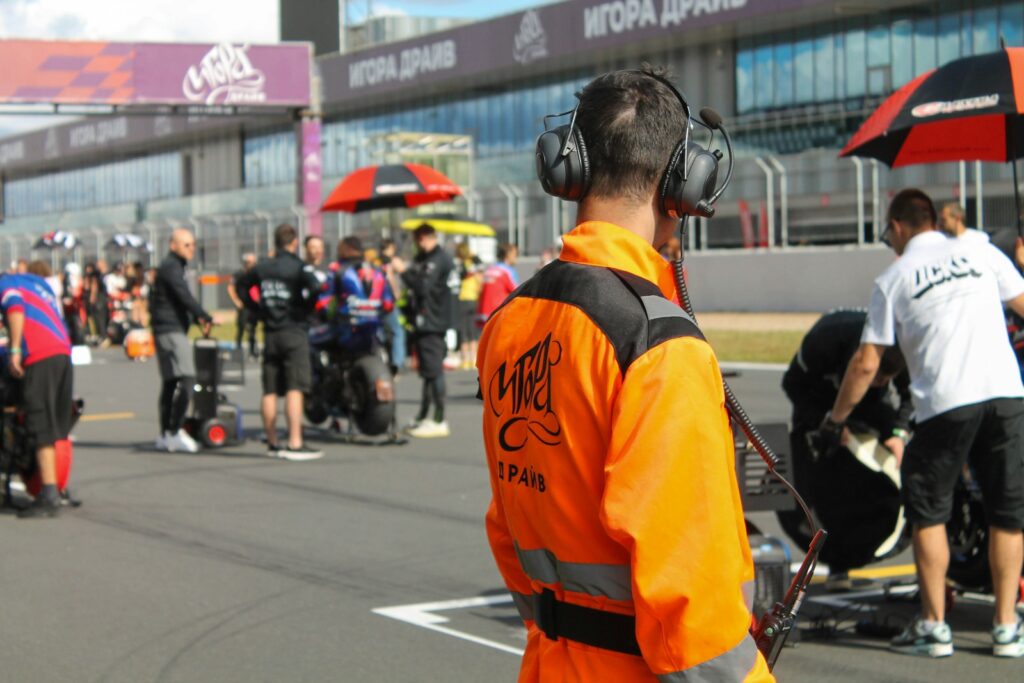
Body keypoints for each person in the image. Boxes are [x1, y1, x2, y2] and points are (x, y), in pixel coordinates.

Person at [479, 68, 772, 681]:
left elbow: (509, 523)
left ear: (568, 168)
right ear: (686, 182)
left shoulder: (510, 320)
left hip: (550, 661)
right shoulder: (658, 346)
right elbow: (689, 582)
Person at [824, 188, 1024, 658]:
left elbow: (867, 363)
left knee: (929, 513)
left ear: (897, 227)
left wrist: (836, 418)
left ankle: (934, 627)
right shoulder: (981, 251)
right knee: (1007, 512)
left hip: (945, 402)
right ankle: (1006, 627)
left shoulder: (894, 277)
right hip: (1006, 394)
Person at [782, 308, 912, 588]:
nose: (879, 383)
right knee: (822, 476)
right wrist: (824, 422)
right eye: (876, 377)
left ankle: (862, 546)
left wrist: (898, 433)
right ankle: (834, 558)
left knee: (877, 471)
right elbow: (792, 385)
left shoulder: (897, 351)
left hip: (867, 404)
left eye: (885, 381)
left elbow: (910, 396)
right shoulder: (824, 341)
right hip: (818, 399)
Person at [238, 224, 323, 461]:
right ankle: (295, 442)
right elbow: (316, 287)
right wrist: (304, 309)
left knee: (270, 390)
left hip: (271, 333)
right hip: (293, 331)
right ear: (294, 242)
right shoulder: (298, 266)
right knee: (295, 387)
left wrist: (257, 308)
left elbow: (242, 285)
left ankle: (272, 441)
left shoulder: (263, 267)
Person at [0, 270, 73, 518]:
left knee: (39, 422)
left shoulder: (6, 285)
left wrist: (15, 350)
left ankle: (49, 494)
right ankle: (55, 486)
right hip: (62, 350)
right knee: (53, 423)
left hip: (38, 354)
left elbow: (14, 307)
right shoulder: (36, 283)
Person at [150, 229, 212, 453]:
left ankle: (166, 433)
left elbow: (177, 299)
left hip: (166, 327)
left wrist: (196, 318)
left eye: (193, 244)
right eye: (186, 244)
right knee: (187, 378)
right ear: (173, 245)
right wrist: (204, 315)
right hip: (170, 329)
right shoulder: (171, 267)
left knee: (170, 382)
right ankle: (174, 431)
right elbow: (183, 295)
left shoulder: (173, 266)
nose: (191, 248)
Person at [393, 224, 455, 438]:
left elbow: (422, 286)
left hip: (433, 322)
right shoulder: (425, 258)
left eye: (421, 238)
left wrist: (403, 271)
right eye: (416, 239)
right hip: (424, 321)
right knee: (428, 373)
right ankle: (423, 415)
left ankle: (439, 419)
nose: (419, 243)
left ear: (430, 237)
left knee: (434, 371)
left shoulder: (438, 259)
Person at [379, 238, 407, 374]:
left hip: (376, 302)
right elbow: (390, 277)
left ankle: (384, 357)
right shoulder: (388, 261)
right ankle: (398, 361)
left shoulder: (376, 260)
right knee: (398, 331)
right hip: (388, 301)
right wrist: (396, 292)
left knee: (382, 331)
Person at [476, 243, 519, 326]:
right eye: (516, 254)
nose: (517, 258)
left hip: (484, 312)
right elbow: (516, 291)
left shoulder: (490, 269)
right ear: (508, 254)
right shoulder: (507, 271)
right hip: (499, 313)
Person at [455, 242, 483, 370]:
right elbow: (480, 279)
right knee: (473, 330)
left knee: (463, 331)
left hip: (462, 299)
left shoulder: (460, 265)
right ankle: (473, 359)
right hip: (473, 298)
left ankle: (465, 360)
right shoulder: (475, 265)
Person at [227, 253, 258, 358]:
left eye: (253, 262)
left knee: (252, 329)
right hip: (243, 306)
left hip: (253, 306)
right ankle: (238, 349)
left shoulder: (256, 274)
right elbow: (230, 287)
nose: (252, 265)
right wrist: (236, 301)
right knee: (241, 327)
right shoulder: (239, 274)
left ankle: (253, 351)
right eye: (249, 262)